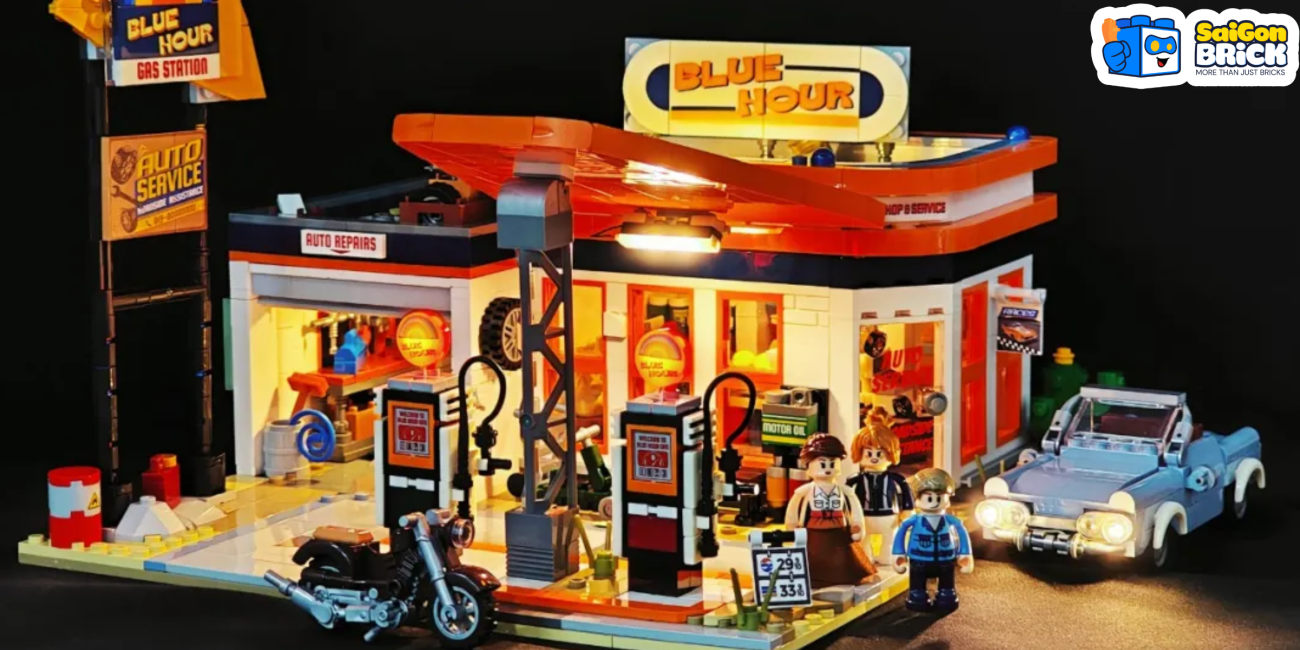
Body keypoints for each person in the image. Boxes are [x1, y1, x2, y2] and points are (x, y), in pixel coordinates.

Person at [784, 433, 878, 589]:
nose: (828, 468)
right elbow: (793, 510)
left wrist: (857, 526)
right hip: (813, 531)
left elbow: (855, 509)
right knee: (811, 559)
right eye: (822, 464)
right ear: (808, 466)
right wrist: (792, 528)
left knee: (843, 559)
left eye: (832, 463)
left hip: (839, 531)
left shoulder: (845, 491)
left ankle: (843, 577)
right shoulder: (804, 491)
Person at [892, 468, 972, 613]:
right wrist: (899, 553)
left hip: (945, 560)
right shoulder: (914, 520)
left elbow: (961, 531)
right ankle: (917, 596)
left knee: (947, 587)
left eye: (939, 497)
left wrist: (965, 554)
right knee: (917, 588)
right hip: (919, 560)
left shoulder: (950, 520)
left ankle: (946, 596)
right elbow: (901, 530)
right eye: (929, 498)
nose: (934, 502)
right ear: (918, 498)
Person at [847, 408, 913, 566]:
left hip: (889, 516)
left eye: (880, 453)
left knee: (890, 540)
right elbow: (847, 496)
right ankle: (865, 559)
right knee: (863, 540)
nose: (874, 458)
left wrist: (908, 509)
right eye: (869, 453)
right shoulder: (855, 479)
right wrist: (847, 513)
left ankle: (887, 556)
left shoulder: (896, 479)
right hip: (864, 516)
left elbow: (906, 492)